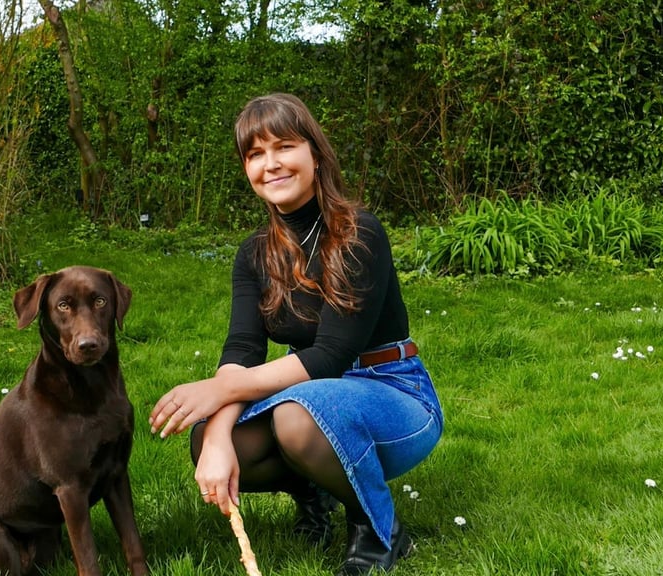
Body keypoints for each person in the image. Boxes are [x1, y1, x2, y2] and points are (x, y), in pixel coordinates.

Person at [148, 93, 444, 576]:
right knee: (211, 437)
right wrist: (217, 432)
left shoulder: (359, 232)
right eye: (255, 154)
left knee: (298, 415)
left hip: (393, 392)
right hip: (309, 394)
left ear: (315, 154)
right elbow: (243, 349)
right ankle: (313, 489)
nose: (271, 164)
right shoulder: (254, 254)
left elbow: (331, 354)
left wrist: (218, 391)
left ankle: (378, 528)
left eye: (284, 146)